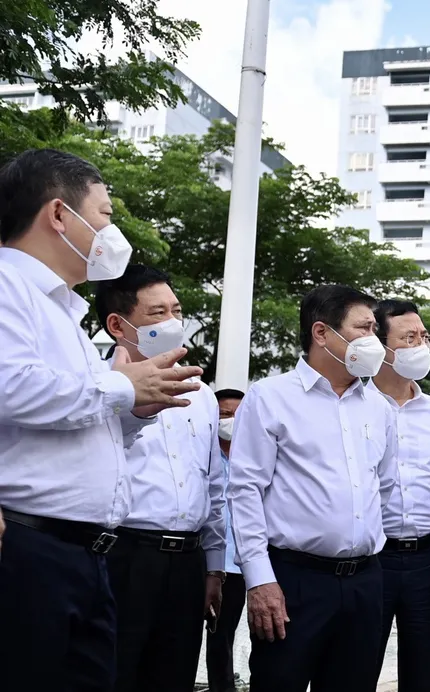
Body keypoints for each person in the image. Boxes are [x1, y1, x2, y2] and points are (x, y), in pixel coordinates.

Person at [0, 149, 203, 692]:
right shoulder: (7, 286)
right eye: (106, 214)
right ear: (59, 214)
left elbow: (72, 415)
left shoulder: (63, 308)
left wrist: (133, 411)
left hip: (85, 555)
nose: (111, 230)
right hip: (29, 547)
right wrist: (122, 386)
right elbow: (11, 388)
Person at [228, 285, 397, 692]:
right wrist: (259, 579)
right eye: (364, 328)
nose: (375, 340)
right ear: (322, 333)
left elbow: (384, 487)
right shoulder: (270, 397)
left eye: (376, 329)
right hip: (293, 581)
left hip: (364, 581)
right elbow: (245, 490)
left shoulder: (378, 406)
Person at [94, 264, 227, 692]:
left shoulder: (202, 395)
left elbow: (214, 486)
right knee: (113, 673)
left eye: (177, 310)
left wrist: (214, 568)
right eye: (157, 313)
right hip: (123, 556)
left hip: (186, 563)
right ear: (119, 324)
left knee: (174, 676)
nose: (173, 323)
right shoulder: (95, 389)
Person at [369, 299, 430, 691]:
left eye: (425, 337)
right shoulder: (356, 406)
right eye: (409, 337)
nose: (421, 345)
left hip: (429, 557)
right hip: (371, 560)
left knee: (423, 673)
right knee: (358, 664)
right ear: (379, 344)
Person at [205, 388, 247, 692]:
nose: (229, 420)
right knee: (218, 634)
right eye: (223, 414)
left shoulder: (254, 455)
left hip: (247, 561)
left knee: (262, 633)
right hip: (214, 561)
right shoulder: (205, 454)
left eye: (236, 414)